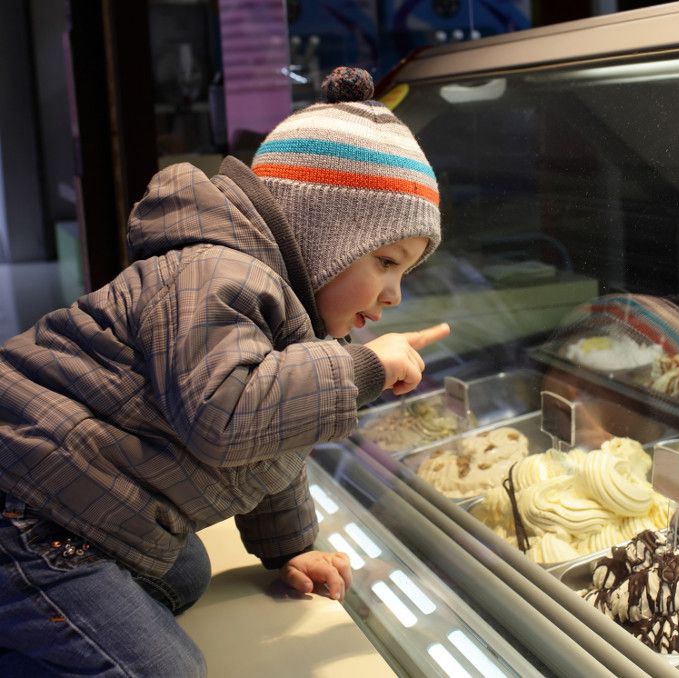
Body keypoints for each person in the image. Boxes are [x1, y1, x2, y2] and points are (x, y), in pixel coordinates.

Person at [0, 66, 448, 676]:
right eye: (385, 260)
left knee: (186, 574)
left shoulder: (279, 302)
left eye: (406, 273)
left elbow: (269, 444)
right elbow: (228, 416)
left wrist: (290, 548)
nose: (394, 293)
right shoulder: (216, 276)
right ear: (321, 235)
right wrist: (362, 368)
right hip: (29, 509)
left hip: (76, 496)